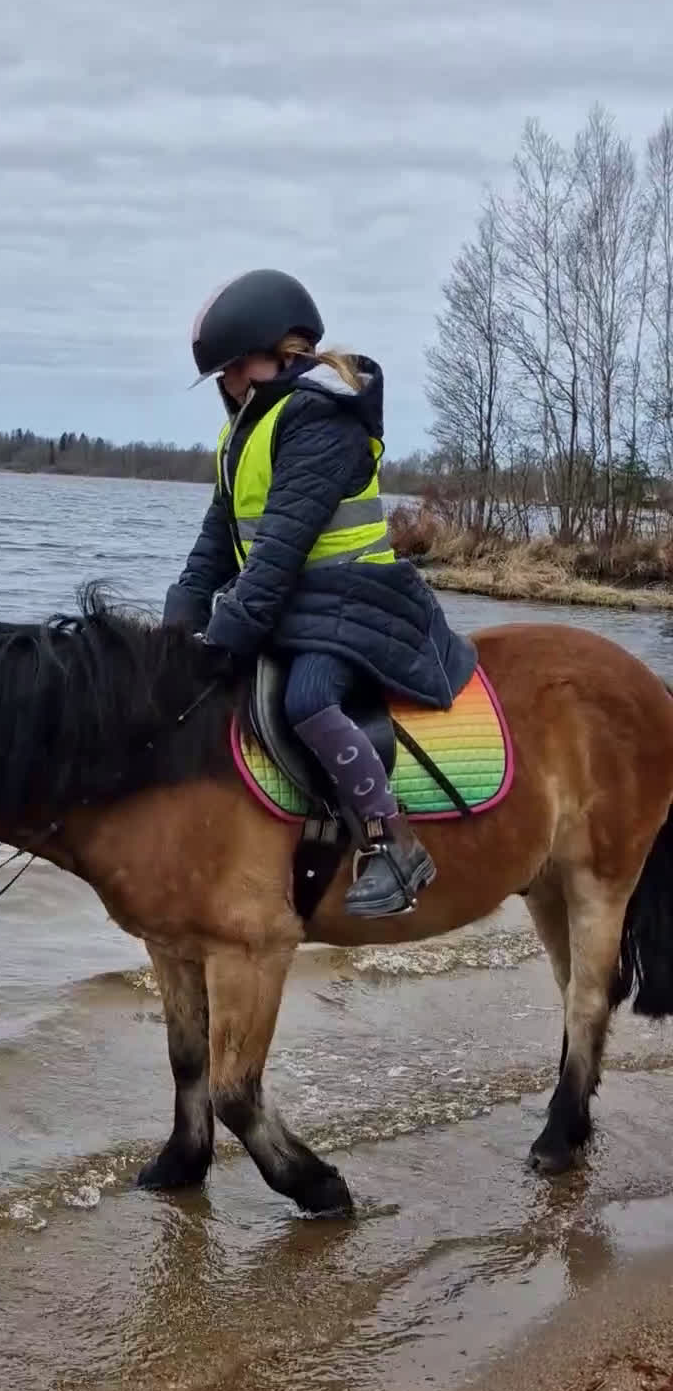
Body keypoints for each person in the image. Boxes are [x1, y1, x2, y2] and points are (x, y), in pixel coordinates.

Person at [162, 267, 477, 919]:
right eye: (222, 373)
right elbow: (215, 545)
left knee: (307, 699)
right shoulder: (243, 432)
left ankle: (395, 843)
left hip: (357, 605)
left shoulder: (320, 421)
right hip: (300, 609)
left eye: (234, 367)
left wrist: (222, 642)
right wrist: (175, 631)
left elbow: (277, 554)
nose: (227, 383)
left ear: (283, 353)